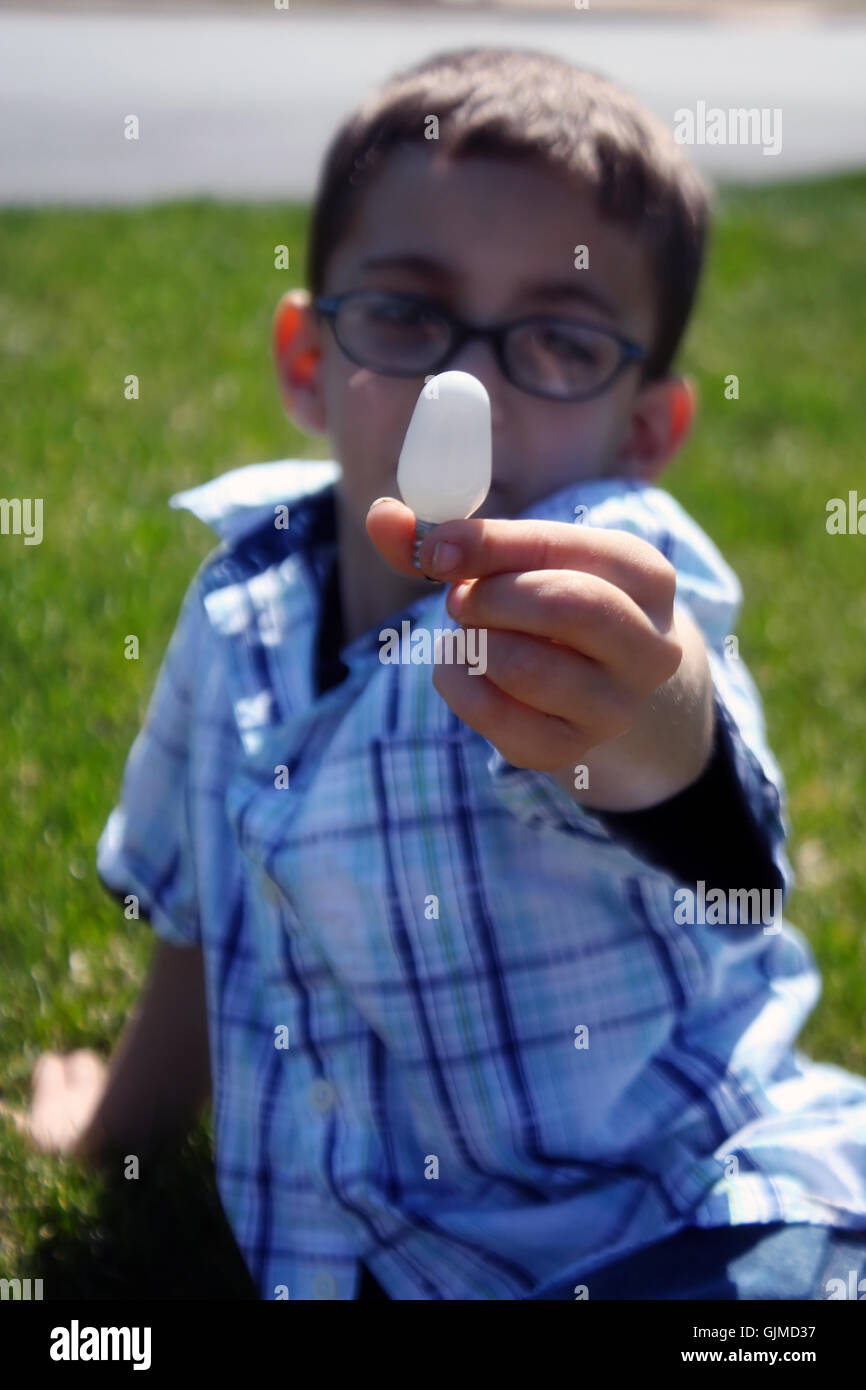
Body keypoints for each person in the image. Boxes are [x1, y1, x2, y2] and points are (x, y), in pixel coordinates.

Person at [14, 47, 866, 1300]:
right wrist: (109, 1133)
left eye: (560, 341)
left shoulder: (619, 574)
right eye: (408, 314)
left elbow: (714, 819)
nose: (465, 386)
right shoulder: (235, 609)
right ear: (309, 362)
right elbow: (205, 921)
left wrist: (654, 722)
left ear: (640, 433)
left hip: (678, 1221)